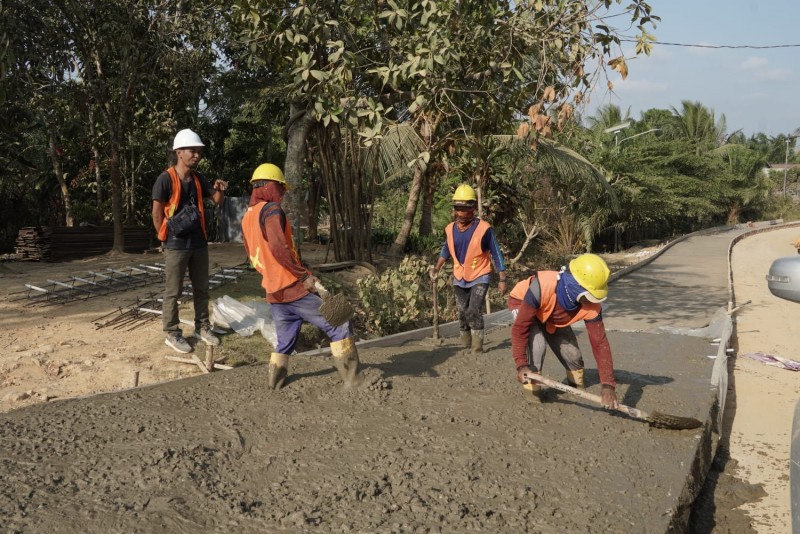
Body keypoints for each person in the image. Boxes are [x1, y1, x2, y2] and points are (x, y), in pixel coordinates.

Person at [240, 163, 360, 389]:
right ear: (267, 185)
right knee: (340, 321)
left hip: (274, 291)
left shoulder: (248, 218)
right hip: (292, 286)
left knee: (285, 341)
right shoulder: (272, 210)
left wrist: (285, 273)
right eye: (281, 187)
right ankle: (352, 381)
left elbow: (253, 255)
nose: (283, 193)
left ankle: (275, 383)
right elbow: (277, 247)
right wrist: (301, 275)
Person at [507, 253, 619, 408]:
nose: (592, 300)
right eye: (589, 295)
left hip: (552, 315)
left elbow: (600, 344)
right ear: (574, 287)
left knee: (573, 356)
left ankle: (576, 387)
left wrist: (608, 385)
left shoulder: (592, 305)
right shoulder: (541, 287)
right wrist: (521, 365)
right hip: (523, 304)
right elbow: (520, 328)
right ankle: (533, 394)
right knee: (537, 347)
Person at [152, 128, 227, 354]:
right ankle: (173, 333)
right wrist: (164, 238)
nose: (196, 155)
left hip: (198, 242)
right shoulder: (165, 179)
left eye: (198, 151)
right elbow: (156, 214)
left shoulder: (198, 178)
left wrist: (220, 189)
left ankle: (202, 327)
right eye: (192, 151)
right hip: (175, 244)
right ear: (179, 152)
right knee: (173, 291)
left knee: (201, 288)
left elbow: (216, 201)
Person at [429, 184, 507, 354]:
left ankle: (477, 347)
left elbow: (496, 253)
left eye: (465, 208)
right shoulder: (450, 229)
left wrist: (502, 279)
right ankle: (465, 342)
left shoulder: (484, 229)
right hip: (459, 275)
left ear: (472, 208)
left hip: (480, 274)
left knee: (473, 309)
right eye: (458, 208)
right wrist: (437, 267)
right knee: (462, 311)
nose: (461, 212)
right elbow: (446, 249)